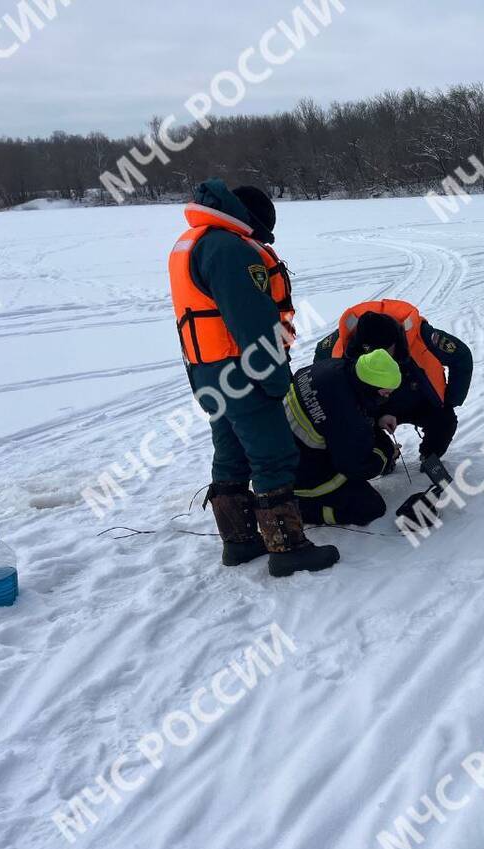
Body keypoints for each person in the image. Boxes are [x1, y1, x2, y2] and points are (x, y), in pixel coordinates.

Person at [168, 178, 339, 577]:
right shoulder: (229, 248)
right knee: (273, 455)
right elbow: (253, 323)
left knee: (231, 453)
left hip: (207, 371)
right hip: (242, 371)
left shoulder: (194, 241)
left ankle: (239, 541)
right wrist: (276, 379)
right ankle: (288, 548)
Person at [314, 300, 472, 468]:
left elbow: (461, 356)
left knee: (444, 421)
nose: (379, 358)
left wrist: (450, 400)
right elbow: (321, 376)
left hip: (414, 399)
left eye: (384, 353)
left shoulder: (420, 335)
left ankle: (429, 455)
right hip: (370, 407)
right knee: (356, 436)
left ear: (396, 343)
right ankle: (385, 461)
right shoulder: (338, 346)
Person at [284, 349, 405, 526]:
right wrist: (386, 453)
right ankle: (302, 509)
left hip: (279, 447)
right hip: (297, 474)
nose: (386, 398)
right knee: (370, 507)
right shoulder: (347, 416)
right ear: (371, 388)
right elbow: (356, 467)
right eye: (385, 394)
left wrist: (378, 417)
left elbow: (350, 404)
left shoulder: (336, 367)